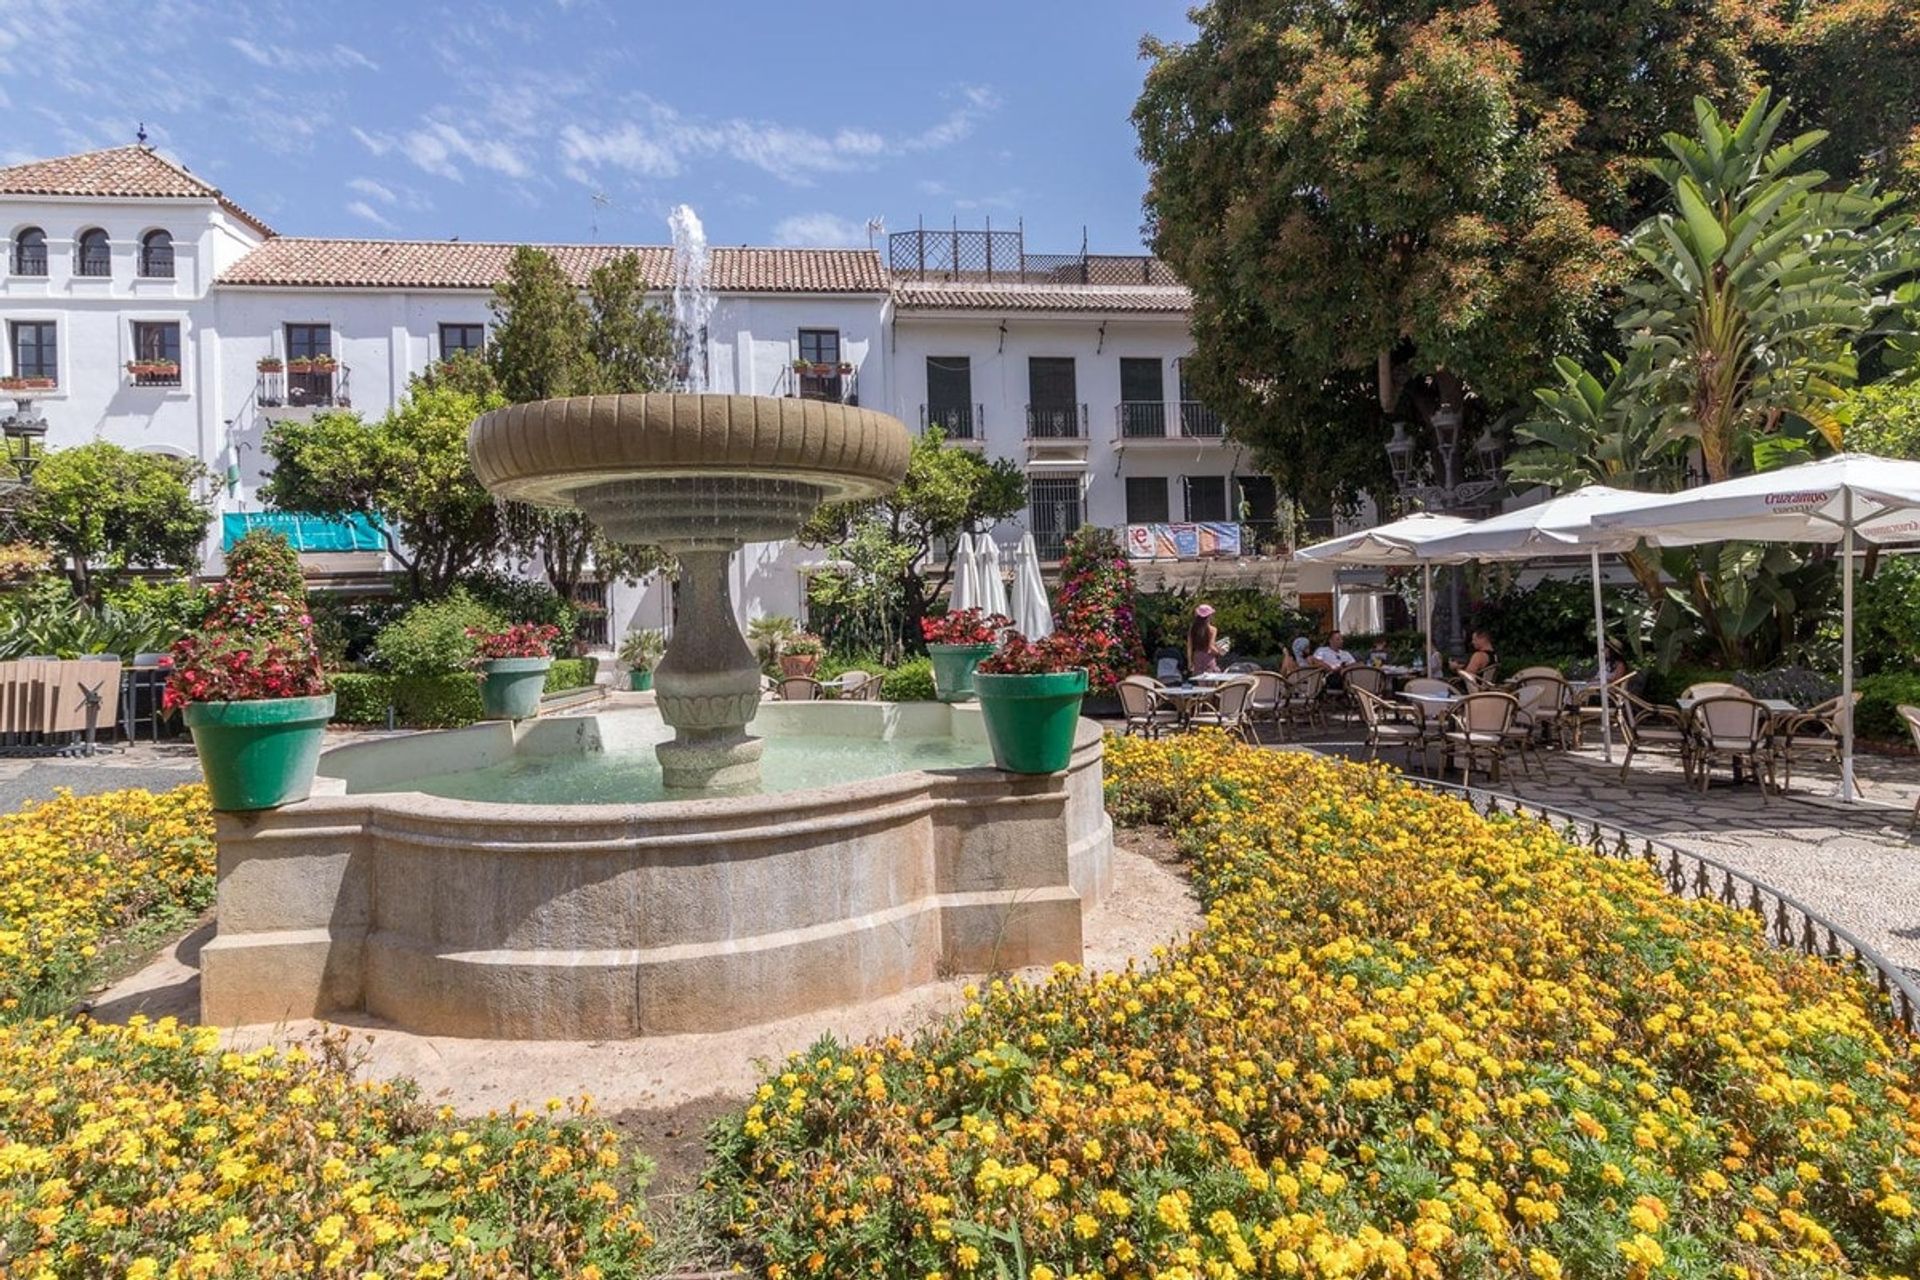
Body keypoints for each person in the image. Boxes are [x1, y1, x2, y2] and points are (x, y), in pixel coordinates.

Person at [1187, 604, 1224, 676]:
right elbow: (1211, 647)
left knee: (1201, 683)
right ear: (1209, 616)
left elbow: (1189, 647)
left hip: (1197, 657)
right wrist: (1219, 652)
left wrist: (1190, 662)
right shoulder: (1212, 629)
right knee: (1212, 682)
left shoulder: (1192, 629)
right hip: (1208, 658)